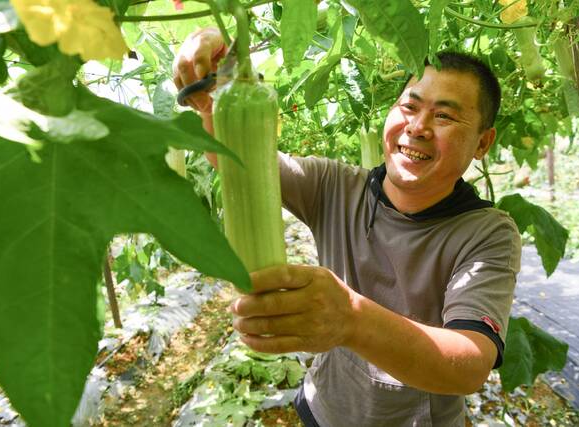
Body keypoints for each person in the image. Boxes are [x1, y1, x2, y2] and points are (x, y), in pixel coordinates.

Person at [174, 28, 521, 427]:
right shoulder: (334, 185)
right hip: (324, 410)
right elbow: (242, 161)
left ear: (483, 142)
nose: (418, 126)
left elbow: (469, 365)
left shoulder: (488, 232)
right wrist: (214, 87)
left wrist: (350, 318)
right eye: (410, 106)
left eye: (444, 115)